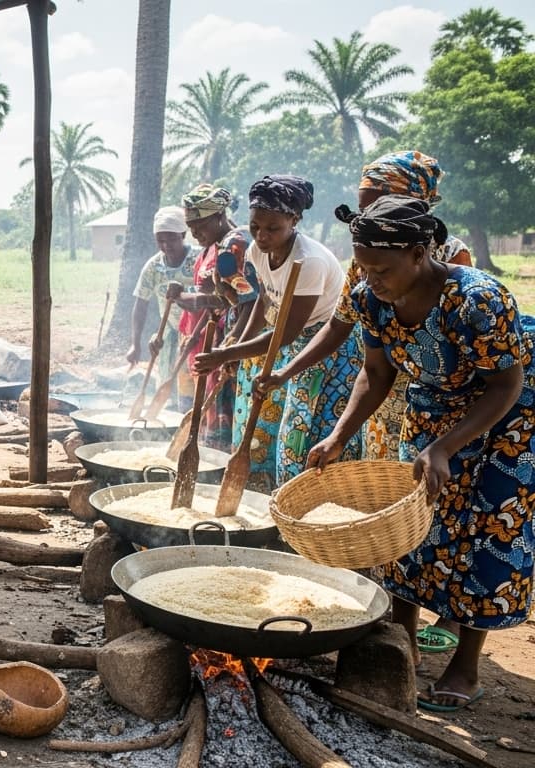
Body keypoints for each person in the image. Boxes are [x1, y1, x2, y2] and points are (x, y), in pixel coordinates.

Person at [309, 196, 534, 713]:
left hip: (511, 414)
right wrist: (339, 436)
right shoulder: (371, 298)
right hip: (434, 403)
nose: (372, 280)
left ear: (419, 253)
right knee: (415, 521)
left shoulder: (477, 298)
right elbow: (376, 374)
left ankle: (465, 667)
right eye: (363, 267)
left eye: (382, 269)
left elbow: (506, 383)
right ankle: (402, 644)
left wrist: (444, 447)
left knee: (486, 529)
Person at [259, 151, 473, 462]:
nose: (365, 217)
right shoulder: (368, 260)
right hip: (380, 395)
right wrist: (285, 372)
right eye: (362, 209)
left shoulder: (452, 257)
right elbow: (339, 324)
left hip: (442, 406)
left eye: (374, 206)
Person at [193, 175, 362, 488]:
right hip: (294, 342)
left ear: (294, 220)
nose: (261, 235)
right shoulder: (259, 251)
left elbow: (285, 333)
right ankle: (273, 494)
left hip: (330, 348)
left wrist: (225, 353)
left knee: (307, 430)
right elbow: (265, 299)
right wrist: (238, 347)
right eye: (255, 226)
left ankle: (313, 503)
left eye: (273, 229)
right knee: (281, 428)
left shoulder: (307, 261)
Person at [170, 184, 258, 449]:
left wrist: (231, 345)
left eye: (199, 224)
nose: (194, 232)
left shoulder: (236, 245)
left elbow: (251, 303)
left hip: (247, 335)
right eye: (190, 225)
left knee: (235, 408)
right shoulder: (217, 245)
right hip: (232, 334)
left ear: (219, 216)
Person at [125, 206, 198, 407]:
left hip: (197, 331)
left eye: (171, 239)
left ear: (183, 235)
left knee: (192, 382)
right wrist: (135, 343)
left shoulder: (199, 259)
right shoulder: (153, 267)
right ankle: (168, 418)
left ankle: (190, 417)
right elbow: (140, 304)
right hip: (169, 329)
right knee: (167, 380)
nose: (166, 245)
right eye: (160, 240)